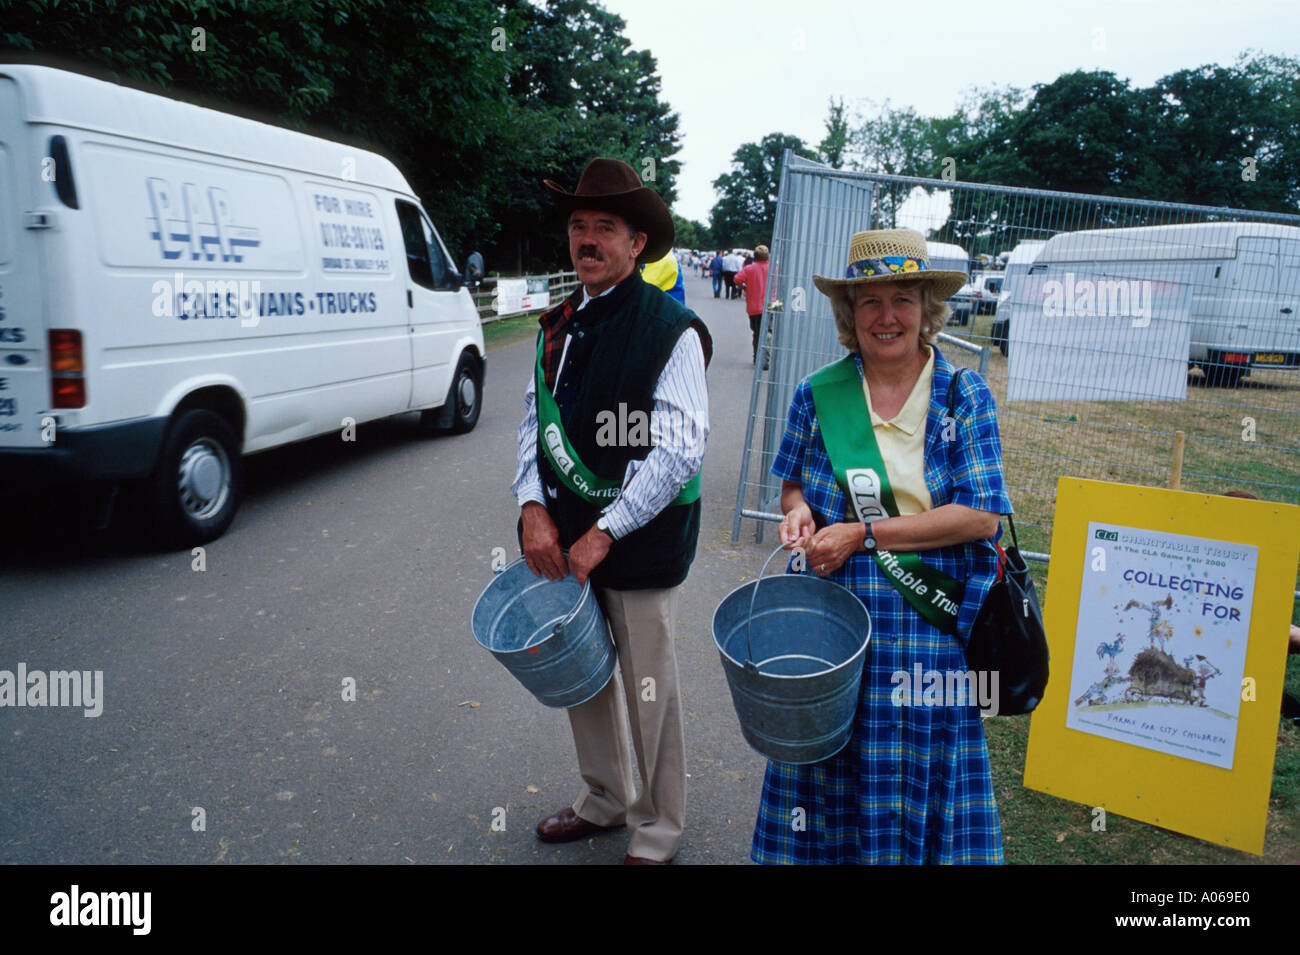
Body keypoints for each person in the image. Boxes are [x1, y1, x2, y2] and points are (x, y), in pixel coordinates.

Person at [751, 228, 1009, 864]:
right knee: (827, 775)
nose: (887, 316)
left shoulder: (962, 395)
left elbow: (981, 519)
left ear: (927, 309)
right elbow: (790, 488)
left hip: (928, 627)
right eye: (870, 302)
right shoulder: (818, 393)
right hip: (834, 630)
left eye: (903, 299)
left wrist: (862, 533)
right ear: (849, 313)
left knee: (916, 784)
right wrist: (799, 518)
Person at [511, 157, 712, 865]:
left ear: (636, 244)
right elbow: (534, 422)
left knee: (648, 689)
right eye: (578, 227)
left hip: (640, 544)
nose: (587, 240)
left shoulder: (672, 328)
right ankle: (604, 798)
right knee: (583, 677)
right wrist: (532, 505)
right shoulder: (559, 324)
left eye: (605, 228)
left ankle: (657, 828)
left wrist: (606, 531)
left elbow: (680, 449)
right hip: (565, 540)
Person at [733, 244, 771, 364]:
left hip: (754, 306)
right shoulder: (774, 269)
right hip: (772, 305)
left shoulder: (749, 268)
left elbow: (737, 279)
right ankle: (766, 357)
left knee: (757, 333)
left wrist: (744, 287)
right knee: (768, 332)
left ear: (755, 256)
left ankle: (757, 357)